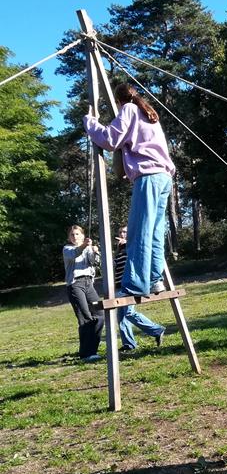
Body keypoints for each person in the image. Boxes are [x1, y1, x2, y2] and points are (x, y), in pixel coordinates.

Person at [84, 83, 175, 296]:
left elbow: (110, 139)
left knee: (138, 232)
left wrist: (90, 123)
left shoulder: (129, 109)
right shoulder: (148, 113)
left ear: (118, 102)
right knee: (154, 234)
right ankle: (154, 280)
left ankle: (135, 285)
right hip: (164, 177)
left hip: (149, 177)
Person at [114, 225, 166, 352]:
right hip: (118, 286)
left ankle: (157, 330)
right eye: (120, 232)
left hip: (129, 285)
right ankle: (129, 344)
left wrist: (126, 245)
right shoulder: (118, 251)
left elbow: (137, 256)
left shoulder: (133, 247)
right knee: (121, 317)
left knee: (129, 313)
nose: (122, 234)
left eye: (125, 232)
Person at [63, 225, 103, 362]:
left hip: (89, 284)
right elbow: (75, 254)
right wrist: (84, 246)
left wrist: (95, 251)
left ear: (82, 235)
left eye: (77, 234)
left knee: (100, 314)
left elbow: (95, 263)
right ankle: (86, 354)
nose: (75, 237)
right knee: (85, 318)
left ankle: (93, 349)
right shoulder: (67, 249)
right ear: (69, 238)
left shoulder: (88, 248)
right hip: (75, 285)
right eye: (72, 235)